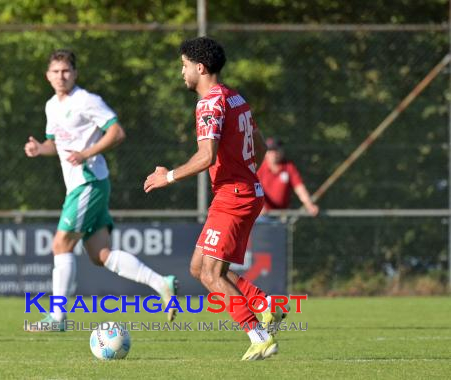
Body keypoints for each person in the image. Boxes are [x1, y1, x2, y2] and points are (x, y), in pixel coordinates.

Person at [144, 37, 279, 361]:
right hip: (242, 191)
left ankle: (260, 337)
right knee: (197, 267)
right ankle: (264, 304)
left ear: (199, 67)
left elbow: (206, 156)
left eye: (184, 65)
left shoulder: (209, 103)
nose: (182, 72)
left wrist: (169, 176)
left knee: (211, 274)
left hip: (233, 195)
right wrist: (244, 175)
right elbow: (259, 146)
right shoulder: (235, 98)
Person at [24, 49, 177, 331]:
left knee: (61, 244)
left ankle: (57, 318)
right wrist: (38, 149)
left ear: (75, 74)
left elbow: (116, 132)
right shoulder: (51, 106)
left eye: (66, 71)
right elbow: (53, 145)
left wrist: (86, 153)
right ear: (47, 76)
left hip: (88, 182)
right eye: (55, 71)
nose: (61, 76)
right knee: (100, 254)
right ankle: (160, 283)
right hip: (84, 184)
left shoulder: (87, 101)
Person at [256, 137, 319, 216]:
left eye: (276, 150)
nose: (274, 153)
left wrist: (309, 205)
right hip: (262, 216)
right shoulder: (259, 167)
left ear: (282, 151)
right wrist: (258, 206)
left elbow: (299, 188)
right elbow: (253, 188)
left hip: (283, 216)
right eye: (270, 150)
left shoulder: (289, 167)